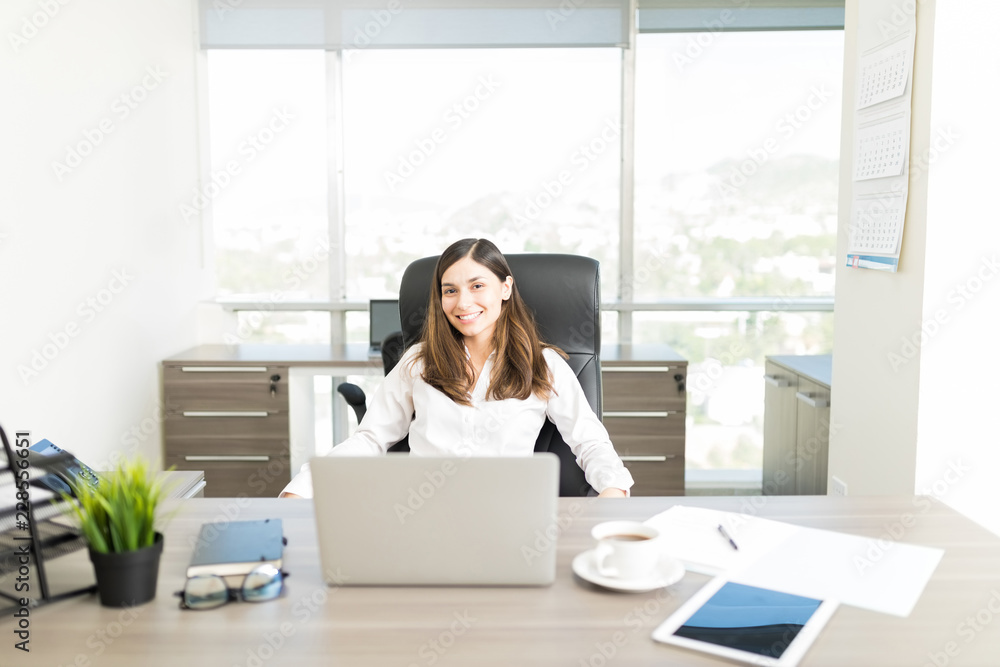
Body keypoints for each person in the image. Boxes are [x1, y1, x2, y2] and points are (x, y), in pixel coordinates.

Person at [280, 238, 633, 498]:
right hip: (421, 513)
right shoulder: (419, 361)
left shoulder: (542, 364)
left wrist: (612, 493)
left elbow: (591, 442)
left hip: (508, 518)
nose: (463, 303)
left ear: (505, 288)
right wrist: (304, 488)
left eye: (477, 286)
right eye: (450, 291)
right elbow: (370, 438)